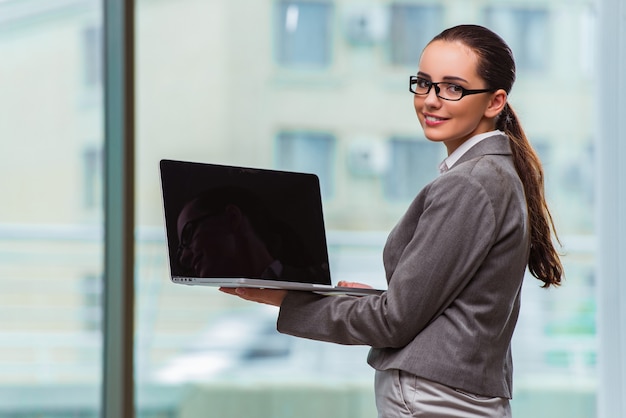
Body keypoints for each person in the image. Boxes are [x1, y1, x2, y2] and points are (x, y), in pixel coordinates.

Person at [220, 24, 563, 417]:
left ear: (494, 102)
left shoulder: (469, 184)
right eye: (424, 83)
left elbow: (393, 323)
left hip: (435, 399)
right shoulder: (492, 175)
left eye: (453, 88)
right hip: (452, 395)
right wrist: (375, 298)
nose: (431, 101)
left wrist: (287, 300)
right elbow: (446, 305)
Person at [176, 186, 328, 284]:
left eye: (188, 234)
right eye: (181, 249)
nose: (184, 258)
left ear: (232, 217)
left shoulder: (318, 278)